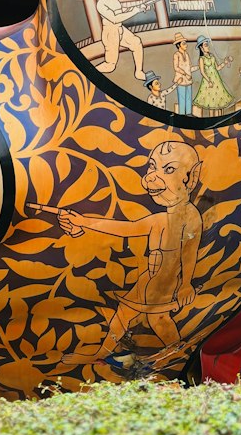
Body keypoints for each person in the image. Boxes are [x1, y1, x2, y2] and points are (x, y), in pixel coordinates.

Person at [59, 141, 203, 354]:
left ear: (191, 177)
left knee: (158, 319)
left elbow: (190, 252)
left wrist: (186, 284)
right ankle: (104, 354)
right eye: (152, 166)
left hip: (164, 282)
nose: (152, 176)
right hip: (149, 278)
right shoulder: (160, 219)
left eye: (169, 169)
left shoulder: (189, 218)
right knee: (131, 315)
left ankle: (178, 354)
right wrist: (83, 222)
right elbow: (127, 229)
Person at [94, 0, 153, 79]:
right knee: (110, 65)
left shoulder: (115, 1)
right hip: (110, 33)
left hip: (120, 29)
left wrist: (137, 7)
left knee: (136, 42)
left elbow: (121, 13)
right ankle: (93, 71)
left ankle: (139, 72)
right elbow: (115, 19)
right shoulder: (101, 4)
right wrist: (135, 11)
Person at [192, 36, 234, 115]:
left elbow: (217, 68)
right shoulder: (201, 59)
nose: (207, 47)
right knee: (211, 102)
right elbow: (202, 72)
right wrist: (209, 81)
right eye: (205, 45)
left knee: (219, 102)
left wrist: (225, 62)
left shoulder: (212, 56)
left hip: (216, 80)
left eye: (207, 44)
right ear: (201, 48)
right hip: (208, 82)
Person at [172, 32, 193, 113]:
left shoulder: (187, 54)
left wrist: (199, 67)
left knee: (188, 98)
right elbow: (176, 67)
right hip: (181, 80)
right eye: (184, 43)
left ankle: (189, 113)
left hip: (188, 80)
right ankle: (182, 115)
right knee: (182, 98)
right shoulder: (176, 55)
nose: (186, 45)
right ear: (178, 45)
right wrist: (185, 74)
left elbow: (189, 67)